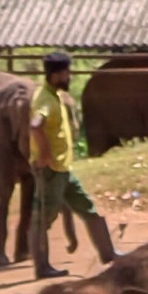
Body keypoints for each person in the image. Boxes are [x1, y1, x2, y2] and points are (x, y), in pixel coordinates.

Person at [29, 52, 117, 279]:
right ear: (56, 74)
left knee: (89, 209)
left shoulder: (55, 95)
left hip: (64, 169)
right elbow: (35, 125)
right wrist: (45, 154)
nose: (69, 77)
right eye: (66, 73)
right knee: (43, 219)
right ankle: (42, 267)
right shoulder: (45, 99)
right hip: (50, 171)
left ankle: (109, 254)